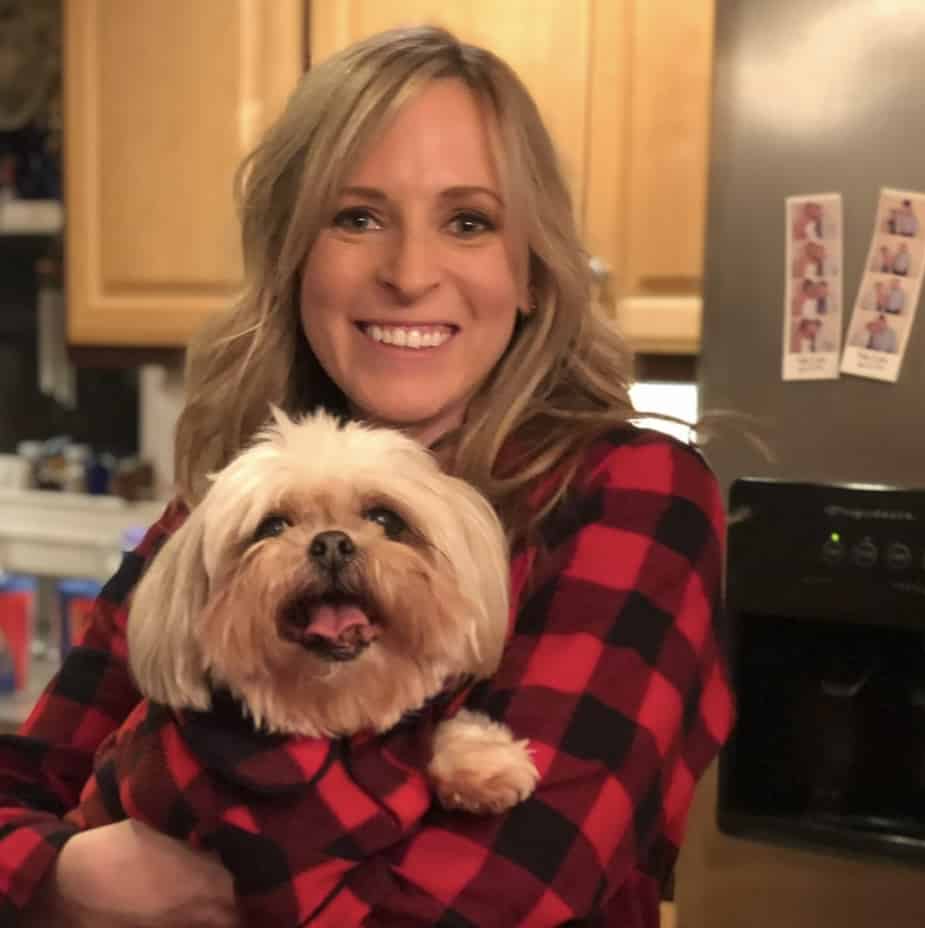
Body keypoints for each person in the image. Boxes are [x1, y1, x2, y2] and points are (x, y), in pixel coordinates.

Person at [0, 26, 733, 928]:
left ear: (534, 268)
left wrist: (178, 883)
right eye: (357, 217)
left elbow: (501, 901)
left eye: (469, 222)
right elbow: (21, 784)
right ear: (293, 259)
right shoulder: (222, 506)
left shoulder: (633, 494)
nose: (410, 275)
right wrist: (76, 875)